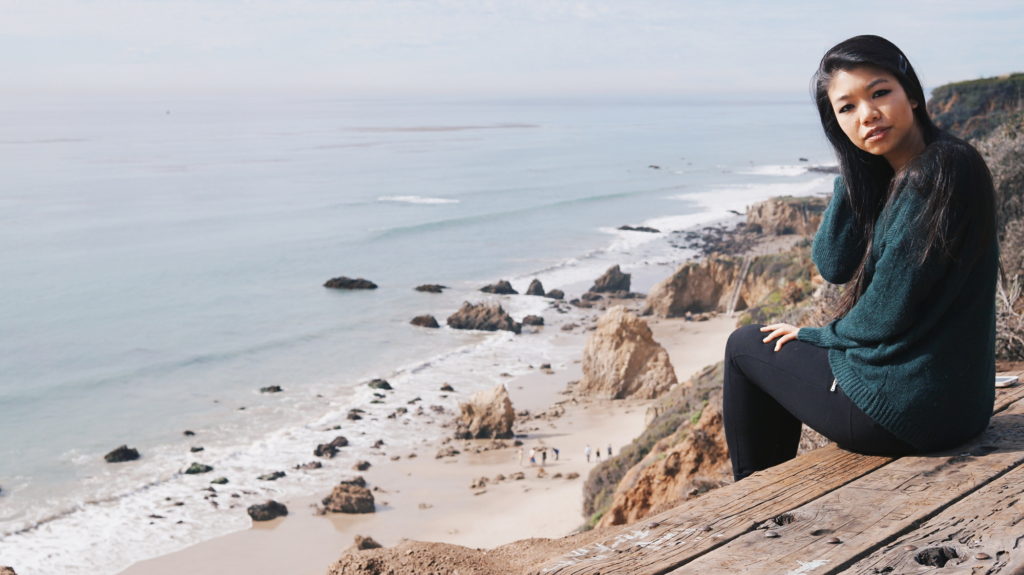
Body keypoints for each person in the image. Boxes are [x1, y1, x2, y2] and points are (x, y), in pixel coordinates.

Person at [723, 35, 998, 482]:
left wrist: (815, 334)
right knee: (764, 345)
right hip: (953, 407)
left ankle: (750, 497)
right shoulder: (915, 169)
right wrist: (855, 166)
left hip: (906, 411)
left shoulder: (936, 173)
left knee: (745, 346)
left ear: (910, 93)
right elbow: (833, 262)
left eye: (879, 93)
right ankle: (760, 494)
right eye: (845, 109)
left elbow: (884, 315)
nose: (867, 114)